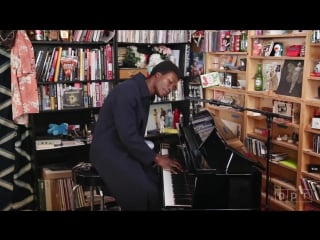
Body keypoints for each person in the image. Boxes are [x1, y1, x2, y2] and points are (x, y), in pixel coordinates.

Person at [90, 60, 184, 211]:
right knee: (146, 191)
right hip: (108, 151)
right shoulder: (127, 91)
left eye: (173, 87)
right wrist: (157, 158)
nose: (170, 89)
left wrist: (155, 158)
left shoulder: (145, 94)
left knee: (156, 181)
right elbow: (128, 135)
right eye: (169, 82)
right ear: (157, 75)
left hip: (123, 147)